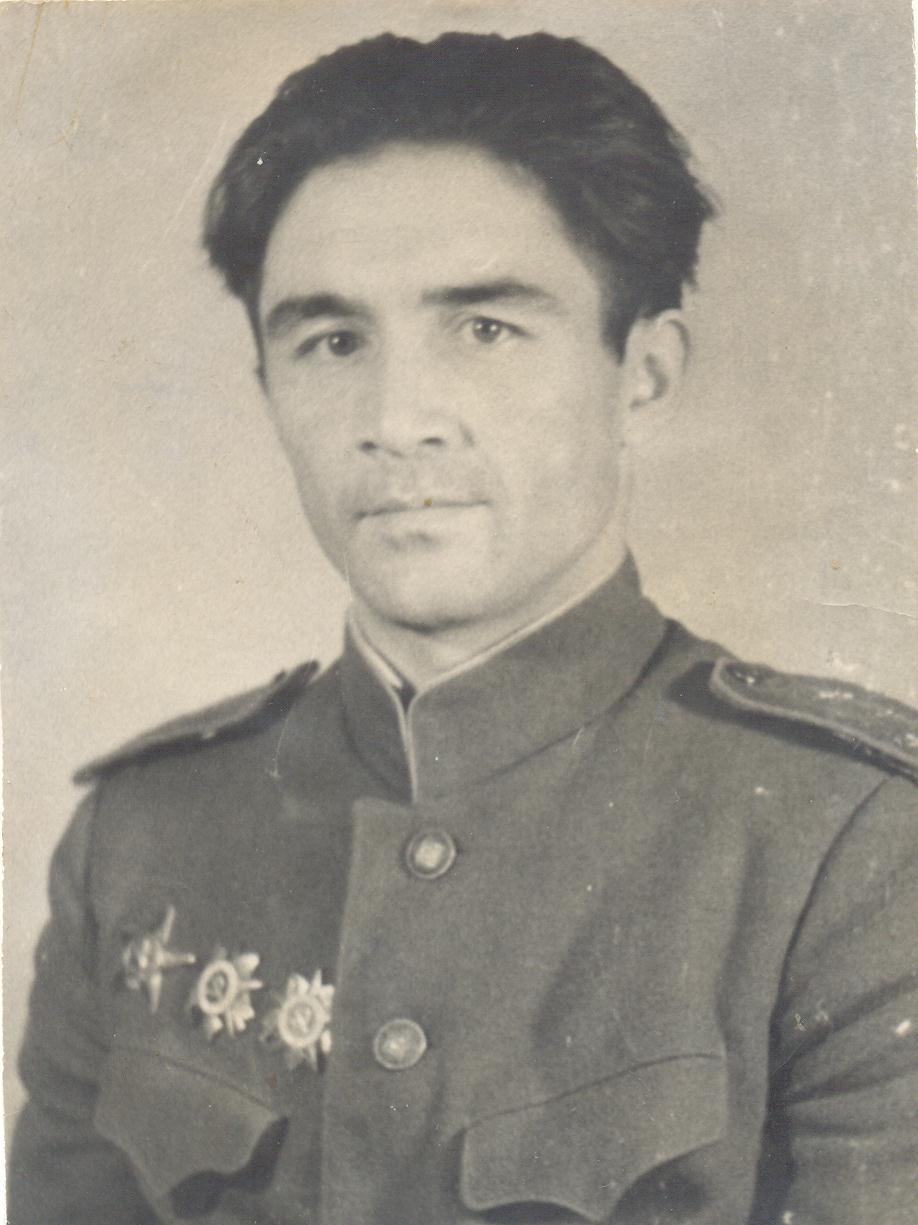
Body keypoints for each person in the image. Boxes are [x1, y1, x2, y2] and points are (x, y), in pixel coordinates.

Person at [9, 30, 918, 1225]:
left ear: (643, 373)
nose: (397, 418)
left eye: (485, 329)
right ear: (268, 388)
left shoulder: (851, 846)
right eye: (333, 342)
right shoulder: (140, 836)